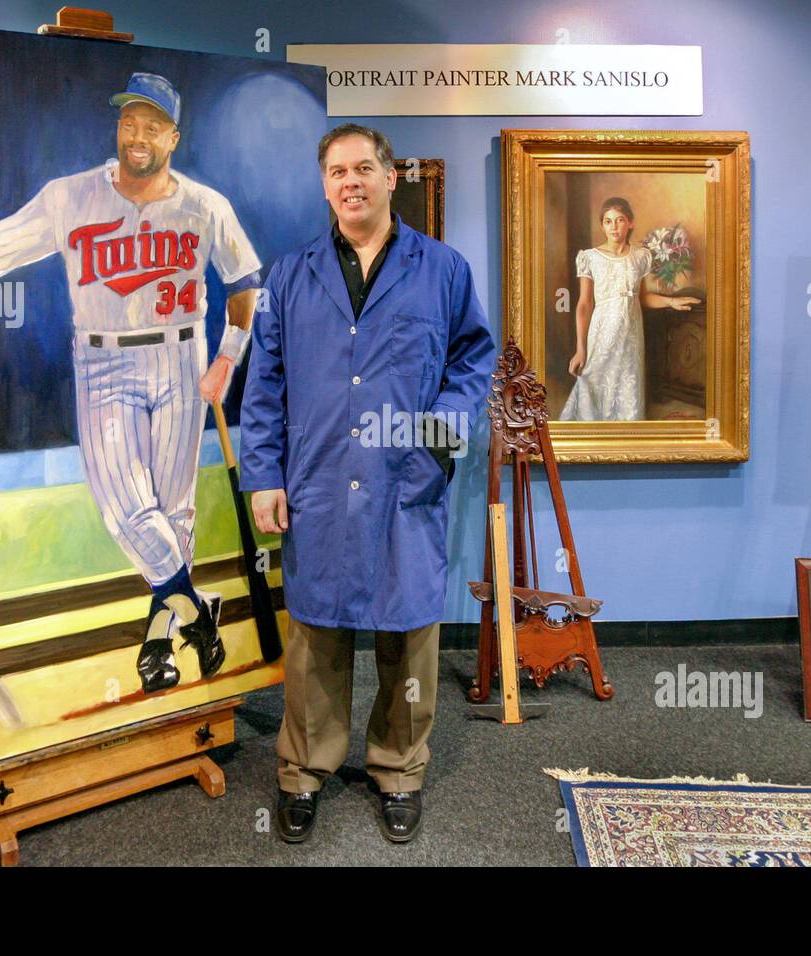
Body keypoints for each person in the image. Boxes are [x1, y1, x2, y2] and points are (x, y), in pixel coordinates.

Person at [0, 73, 262, 695]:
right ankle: (195, 606)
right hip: (103, 361)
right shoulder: (69, 197)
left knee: (175, 511)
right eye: (129, 121)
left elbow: (244, 283)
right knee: (126, 509)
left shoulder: (205, 205)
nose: (137, 135)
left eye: (152, 125)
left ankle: (159, 638)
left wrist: (227, 358)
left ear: (174, 138)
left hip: (185, 356)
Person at [239, 123, 495, 845]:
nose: (349, 182)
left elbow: (471, 365)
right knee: (315, 635)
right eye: (335, 172)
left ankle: (398, 769)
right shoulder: (290, 276)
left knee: (408, 631)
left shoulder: (443, 270)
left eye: (362, 168)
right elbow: (264, 386)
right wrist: (262, 473)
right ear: (325, 186)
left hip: (403, 479)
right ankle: (303, 771)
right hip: (317, 477)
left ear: (389, 177)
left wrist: (436, 447)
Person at [560, 197, 699, 421]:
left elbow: (642, 298)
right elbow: (584, 304)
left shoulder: (640, 256)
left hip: (631, 336)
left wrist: (671, 302)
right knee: (592, 384)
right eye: (608, 221)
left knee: (627, 387)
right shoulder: (590, 258)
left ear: (630, 223)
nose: (613, 226)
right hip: (602, 334)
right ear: (602, 225)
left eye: (620, 220)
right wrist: (580, 348)